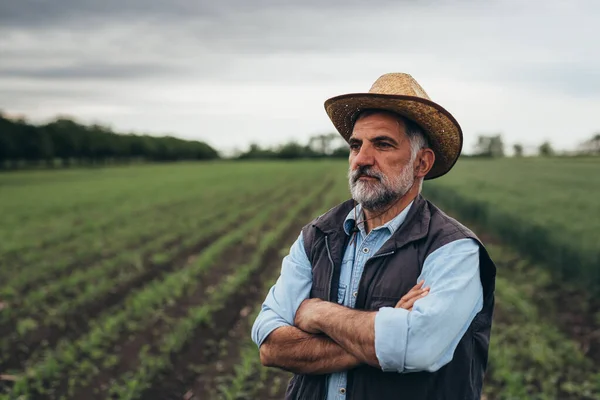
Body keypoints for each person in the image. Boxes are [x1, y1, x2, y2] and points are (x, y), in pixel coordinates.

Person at [251, 73, 496, 400]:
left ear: (421, 162)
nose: (362, 159)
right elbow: (271, 348)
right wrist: (387, 334)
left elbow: (418, 348)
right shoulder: (316, 238)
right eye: (356, 145)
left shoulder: (453, 250)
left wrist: (319, 314)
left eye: (382, 144)